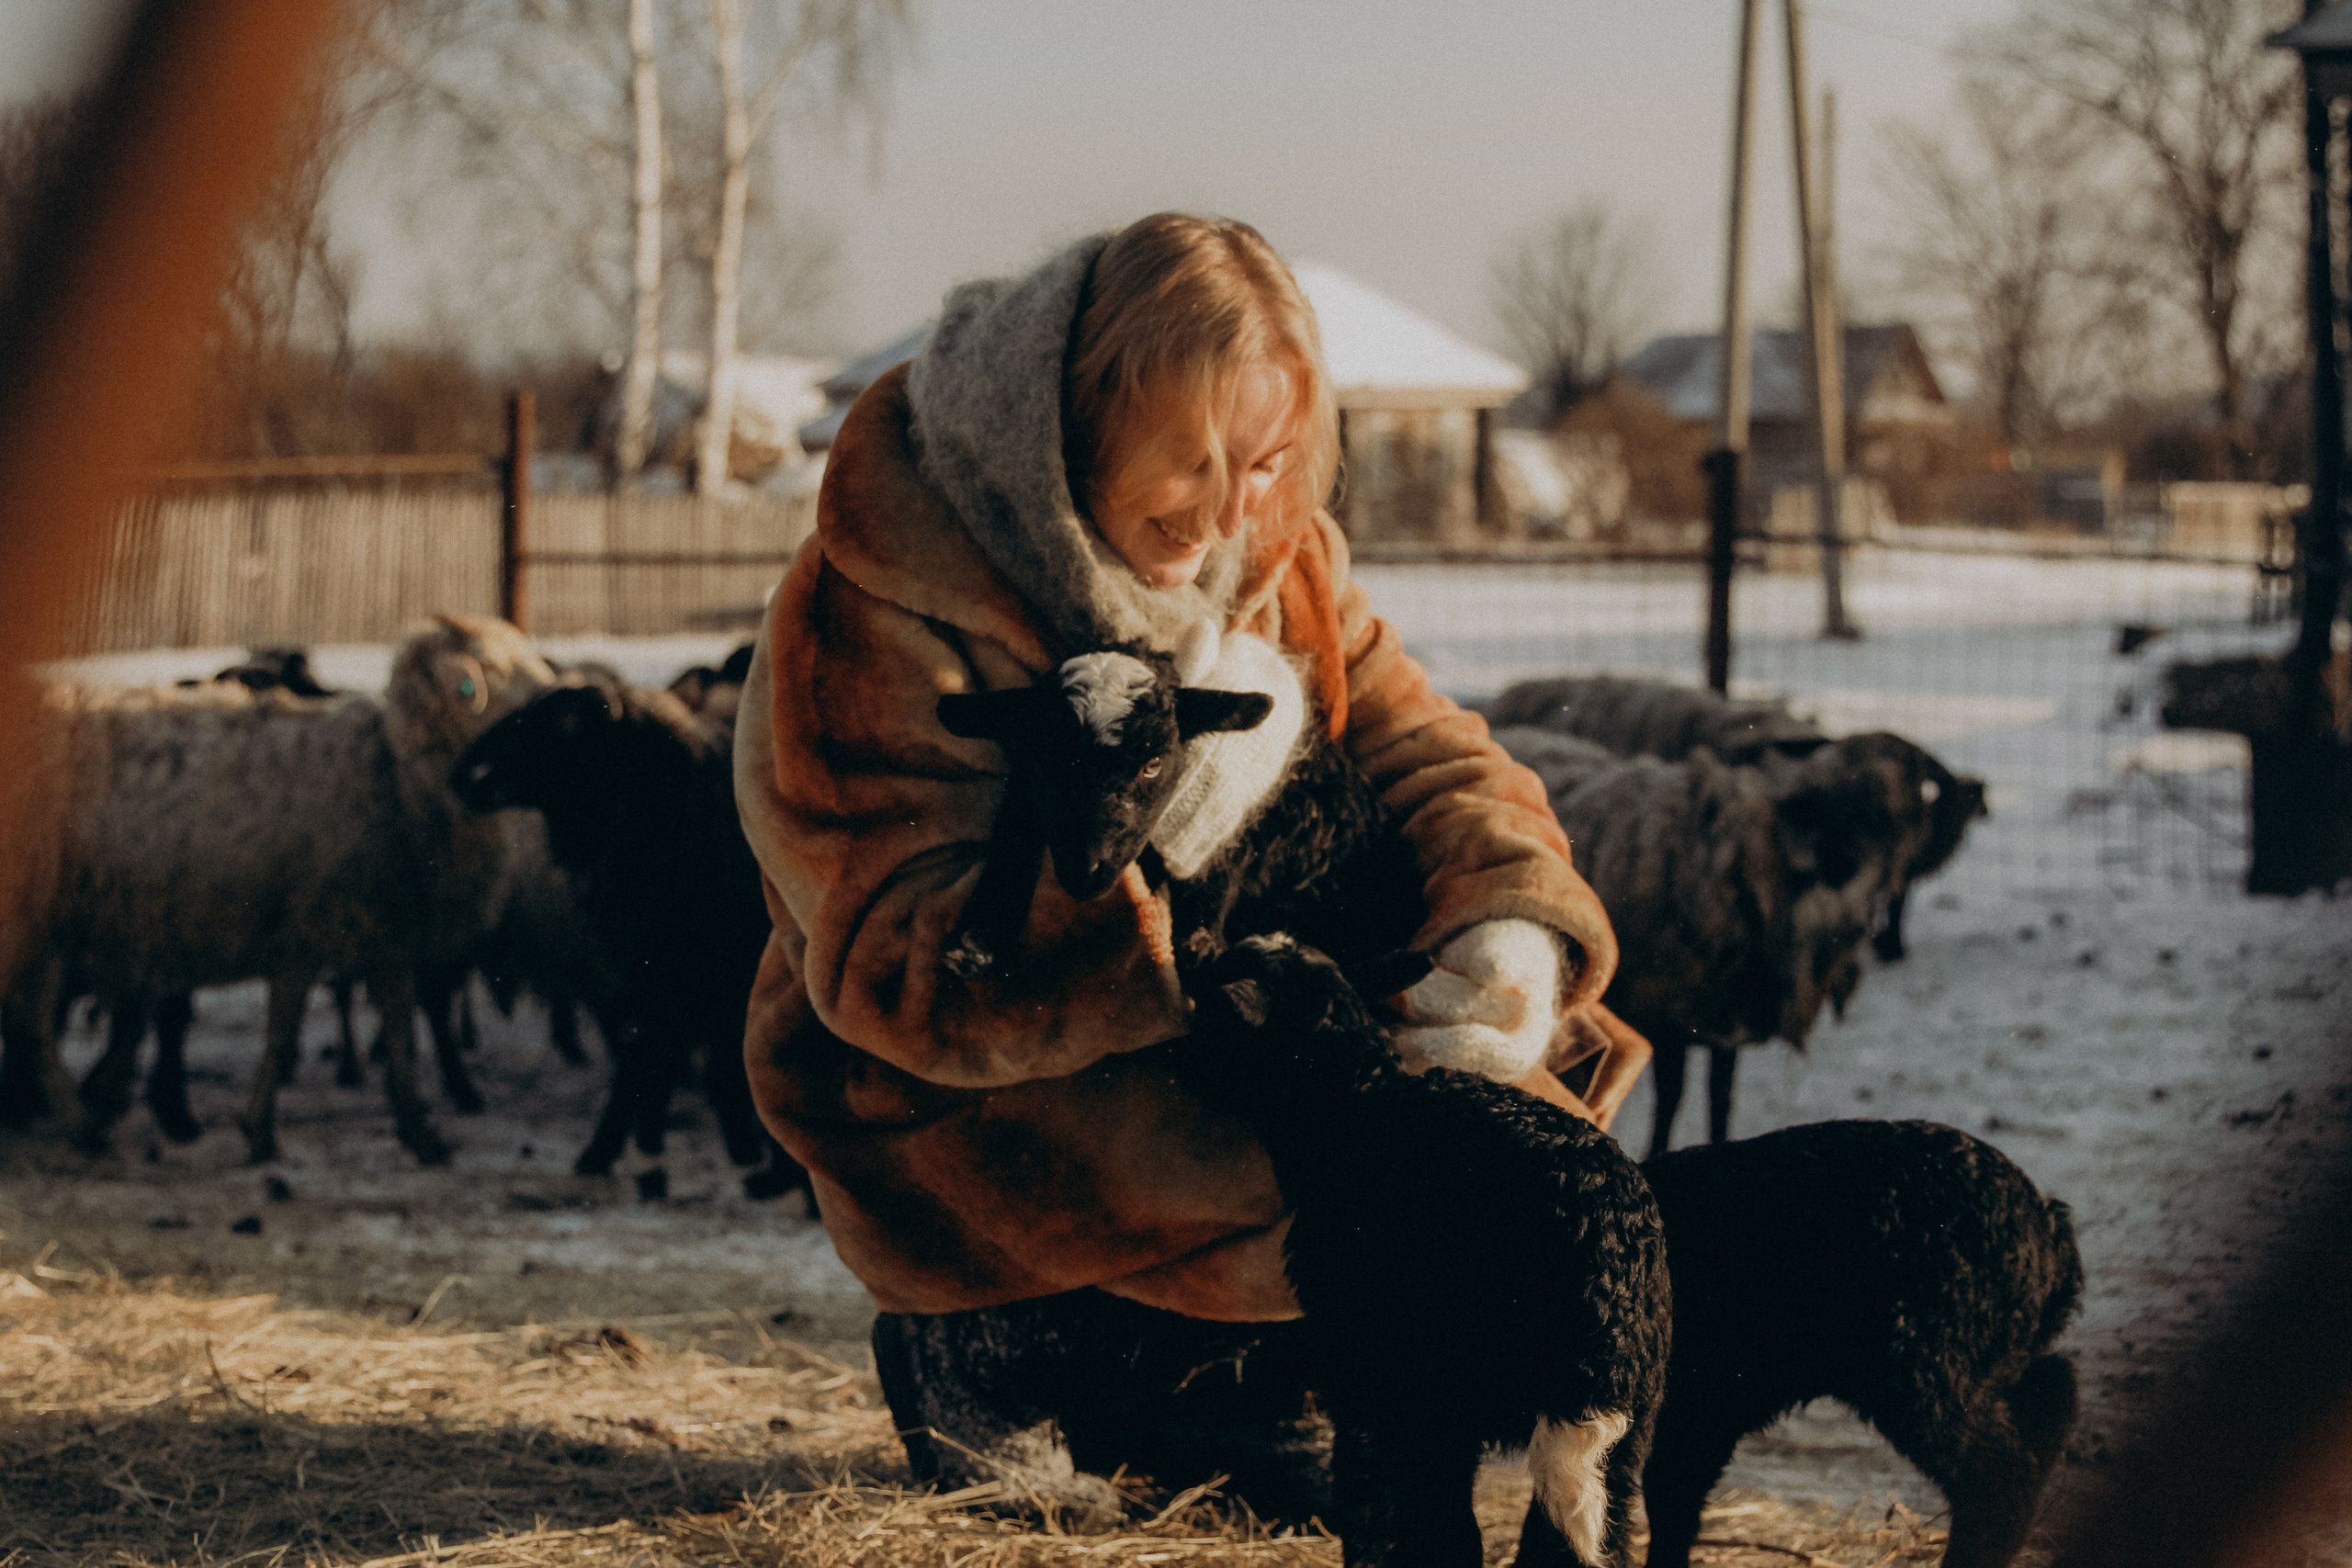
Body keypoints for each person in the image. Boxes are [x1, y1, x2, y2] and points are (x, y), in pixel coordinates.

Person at [732, 213, 1652, 1516]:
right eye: (1197, 460)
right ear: (1080, 419)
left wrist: (1505, 929)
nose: (1233, 513)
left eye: (1270, 464)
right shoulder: (881, 589)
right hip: (971, 1098)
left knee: (1475, 1131)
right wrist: (1156, 835)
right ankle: (986, 1346)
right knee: (1281, 1148)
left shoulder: (1278, 554)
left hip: (1224, 1033)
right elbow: (896, 964)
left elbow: (1432, 754)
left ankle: (1241, 1369)